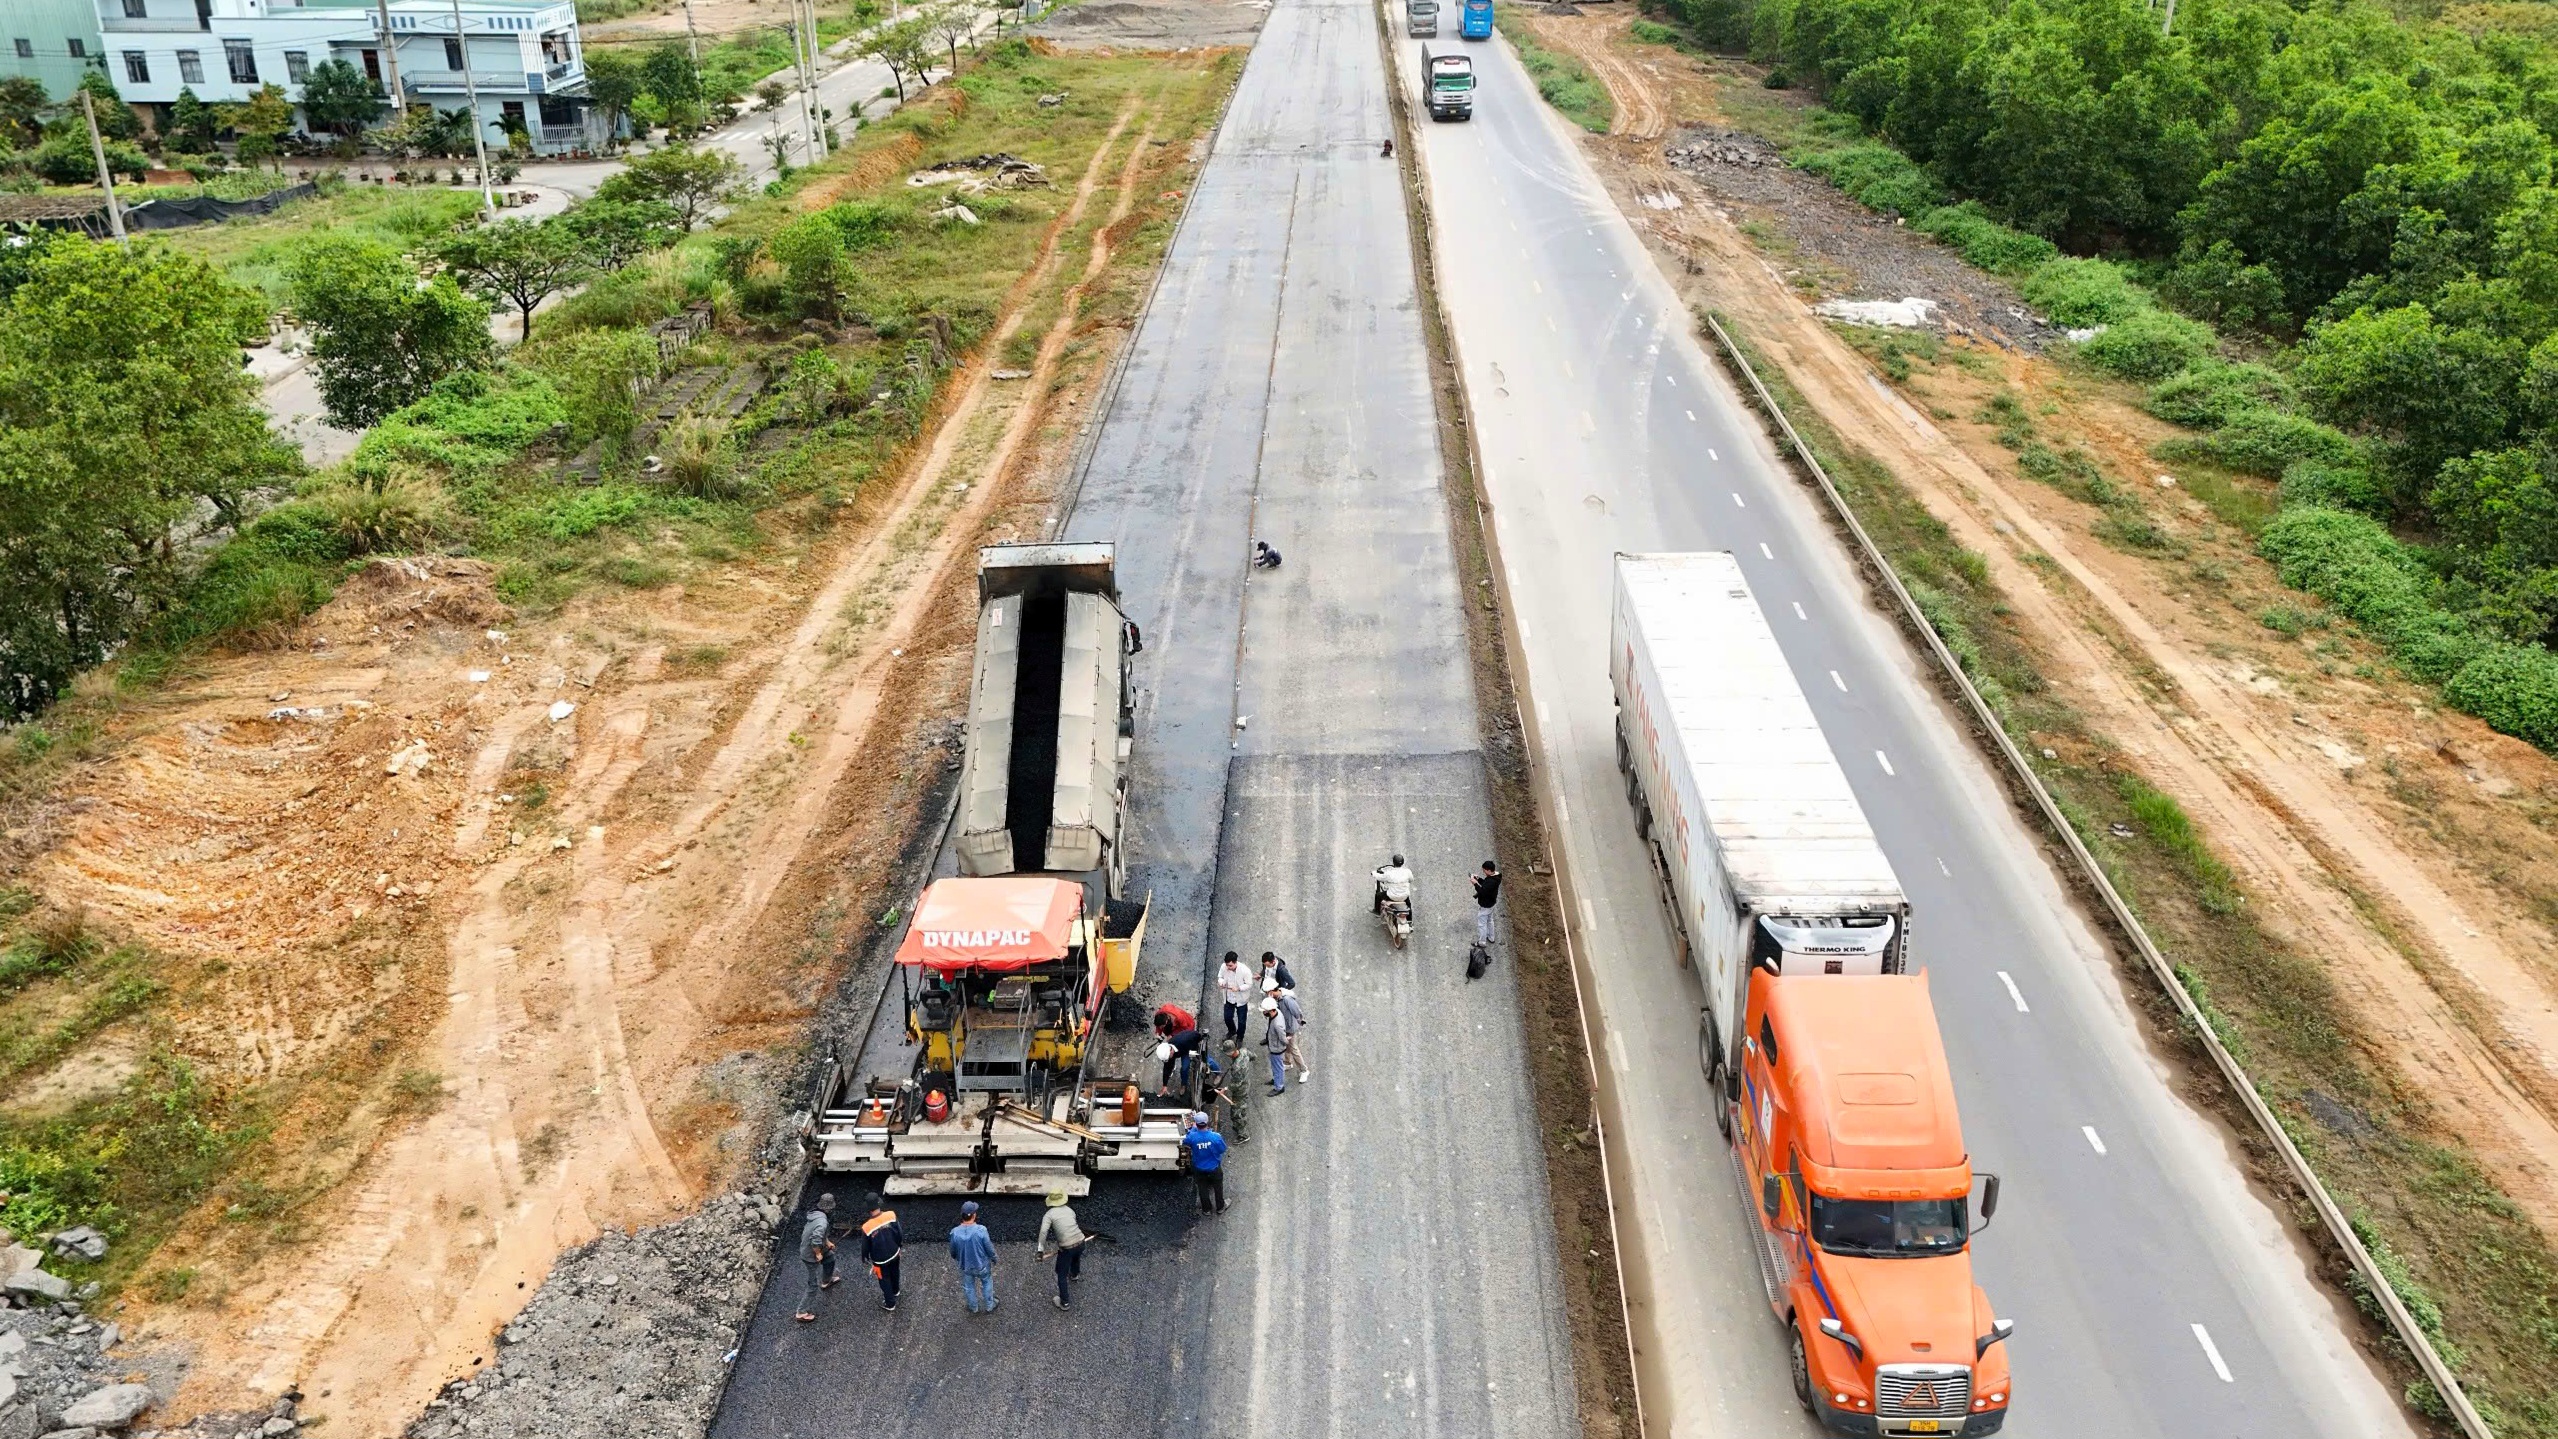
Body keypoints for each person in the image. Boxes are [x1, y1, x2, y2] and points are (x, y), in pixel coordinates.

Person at [1035, 1189, 1088, 1310]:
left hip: (1067, 1247)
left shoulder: (1049, 1215)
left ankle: (1064, 1302)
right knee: (1076, 1258)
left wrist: (1040, 1250)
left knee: (1061, 1274)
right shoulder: (1070, 1210)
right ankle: (1074, 1274)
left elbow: (1043, 1232)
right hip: (1081, 1242)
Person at [793, 1193, 838, 1323]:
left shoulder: (815, 1215)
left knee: (830, 1258)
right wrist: (818, 1254)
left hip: (817, 1248)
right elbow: (815, 1239)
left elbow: (819, 1235)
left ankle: (826, 1281)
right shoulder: (822, 1221)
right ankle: (801, 1312)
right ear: (829, 1208)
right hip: (809, 1255)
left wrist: (827, 1242)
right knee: (812, 1286)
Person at [949, 1200, 997, 1314]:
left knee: (969, 1287)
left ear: (962, 1215)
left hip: (966, 1266)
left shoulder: (954, 1232)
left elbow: (953, 1251)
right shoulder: (981, 1230)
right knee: (986, 1283)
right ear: (974, 1215)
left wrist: (956, 1257)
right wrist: (994, 1257)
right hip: (982, 1266)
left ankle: (973, 1307)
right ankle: (990, 1305)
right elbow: (988, 1248)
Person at [859, 1195, 903, 1312]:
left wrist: (865, 1258)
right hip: (894, 1252)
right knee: (895, 1272)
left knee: (884, 1280)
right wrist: (899, 1247)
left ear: (868, 1209)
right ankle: (896, 1291)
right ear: (879, 1204)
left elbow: (865, 1247)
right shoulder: (891, 1215)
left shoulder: (866, 1227)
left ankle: (890, 1303)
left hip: (880, 1260)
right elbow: (899, 1233)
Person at [1182, 1111, 1229, 1214]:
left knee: (1202, 1188)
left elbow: (1185, 1142)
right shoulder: (1215, 1137)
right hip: (1214, 1167)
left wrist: (1192, 1130)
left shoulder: (1192, 1137)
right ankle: (1220, 1207)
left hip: (1199, 1168)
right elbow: (1222, 1149)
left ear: (1195, 1123)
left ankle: (1206, 1209)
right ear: (1207, 1122)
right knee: (1218, 1187)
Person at [1156, 1027, 1219, 1095]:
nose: (1169, 1059)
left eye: (1168, 1058)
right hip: (1184, 1051)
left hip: (1192, 1045)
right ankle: (1183, 1084)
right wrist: (1164, 1085)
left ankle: (1218, 1074)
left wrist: (1199, 1047)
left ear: (1171, 1051)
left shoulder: (1185, 1039)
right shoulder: (1168, 1052)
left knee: (1206, 1060)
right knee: (1184, 1068)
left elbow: (1196, 1035)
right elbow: (1167, 1068)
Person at [1259, 995, 1297, 1095]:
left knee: (1278, 1067)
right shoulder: (1277, 1013)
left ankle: (1279, 1087)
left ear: (1270, 1010)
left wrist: (1286, 1040)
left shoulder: (1277, 1024)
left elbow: (1283, 1039)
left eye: (1265, 1010)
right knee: (1275, 1065)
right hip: (1274, 1045)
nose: (1263, 1012)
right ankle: (1276, 1080)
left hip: (1276, 1048)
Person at [1216, 951, 1255, 1044]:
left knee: (1241, 1022)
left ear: (1235, 962)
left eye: (1230, 966)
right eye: (1227, 965)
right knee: (1227, 1017)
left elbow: (1249, 984)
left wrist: (1239, 988)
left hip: (1241, 999)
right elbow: (1220, 976)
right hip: (1229, 997)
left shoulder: (1245, 971)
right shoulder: (1223, 967)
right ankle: (1232, 1030)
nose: (1228, 968)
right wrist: (1221, 982)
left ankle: (1240, 1037)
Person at [1472, 859, 1503, 948]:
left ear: (1489, 870)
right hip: (1491, 903)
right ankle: (1491, 937)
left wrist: (1475, 884)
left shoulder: (1491, 881)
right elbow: (1486, 885)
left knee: (1482, 924)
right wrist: (1479, 879)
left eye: (1484, 870)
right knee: (1490, 920)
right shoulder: (1495, 877)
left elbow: (1482, 891)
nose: (1484, 872)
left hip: (1485, 905)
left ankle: (1482, 942)